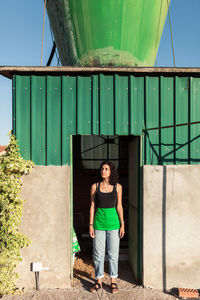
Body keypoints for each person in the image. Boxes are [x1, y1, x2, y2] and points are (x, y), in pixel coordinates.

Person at [89, 161, 125, 294]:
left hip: (114, 224)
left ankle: (113, 281)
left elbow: (119, 206)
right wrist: (91, 225)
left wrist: (122, 224)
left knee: (113, 254)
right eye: (102, 169)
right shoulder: (95, 186)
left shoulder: (118, 187)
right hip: (98, 223)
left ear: (111, 172)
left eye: (106, 169)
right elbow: (92, 206)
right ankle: (98, 281)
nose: (103, 171)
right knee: (98, 254)